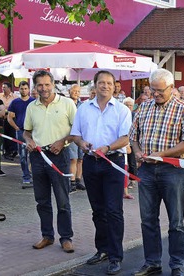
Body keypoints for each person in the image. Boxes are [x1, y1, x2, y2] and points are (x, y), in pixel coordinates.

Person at [129, 68, 184, 276]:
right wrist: (139, 152)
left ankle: (176, 265)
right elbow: (133, 136)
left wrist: (161, 154)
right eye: (153, 90)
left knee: (175, 221)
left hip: (172, 170)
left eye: (160, 91)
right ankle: (152, 262)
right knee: (148, 219)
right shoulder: (143, 107)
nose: (156, 94)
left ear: (171, 88)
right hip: (147, 171)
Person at [71, 71, 131, 275]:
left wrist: (107, 147)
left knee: (114, 210)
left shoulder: (122, 110)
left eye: (109, 83)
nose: (105, 86)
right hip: (90, 162)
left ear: (114, 86)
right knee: (97, 210)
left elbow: (125, 139)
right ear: (94, 86)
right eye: (101, 83)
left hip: (113, 162)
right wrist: (82, 143)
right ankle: (102, 249)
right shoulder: (83, 108)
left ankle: (115, 256)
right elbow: (75, 135)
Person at [23, 70, 78, 254]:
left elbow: (77, 131)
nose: (44, 88)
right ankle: (47, 236)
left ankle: (66, 238)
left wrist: (63, 141)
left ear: (53, 84)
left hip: (59, 156)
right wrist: (28, 141)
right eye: (40, 85)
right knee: (42, 200)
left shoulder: (67, 104)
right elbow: (26, 131)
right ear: (35, 86)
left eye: (47, 84)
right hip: (38, 157)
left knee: (62, 200)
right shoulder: (32, 106)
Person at [7, 81, 35, 187]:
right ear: (19, 90)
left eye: (25, 88)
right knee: (23, 155)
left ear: (28, 89)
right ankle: (26, 176)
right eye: (21, 88)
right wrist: (16, 128)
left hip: (33, 132)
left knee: (34, 154)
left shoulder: (34, 101)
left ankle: (35, 175)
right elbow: (10, 117)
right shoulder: (15, 102)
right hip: (21, 131)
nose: (23, 90)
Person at [66, 84, 85, 192]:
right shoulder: (66, 104)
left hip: (82, 134)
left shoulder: (82, 105)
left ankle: (78, 180)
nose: (76, 93)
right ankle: (72, 181)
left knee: (80, 159)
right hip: (72, 134)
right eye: (74, 91)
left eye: (78, 91)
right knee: (73, 158)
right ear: (70, 91)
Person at [0, 82, 19, 160]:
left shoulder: (15, 97)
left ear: (9, 88)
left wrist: (6, 108)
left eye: (4, 87)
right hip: (3, 118)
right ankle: (6, 152)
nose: (3, 89)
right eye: (2, 87)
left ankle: (13, 150)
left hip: (12, 118)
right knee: (4, 135)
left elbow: (16, 107)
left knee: (12, 135)